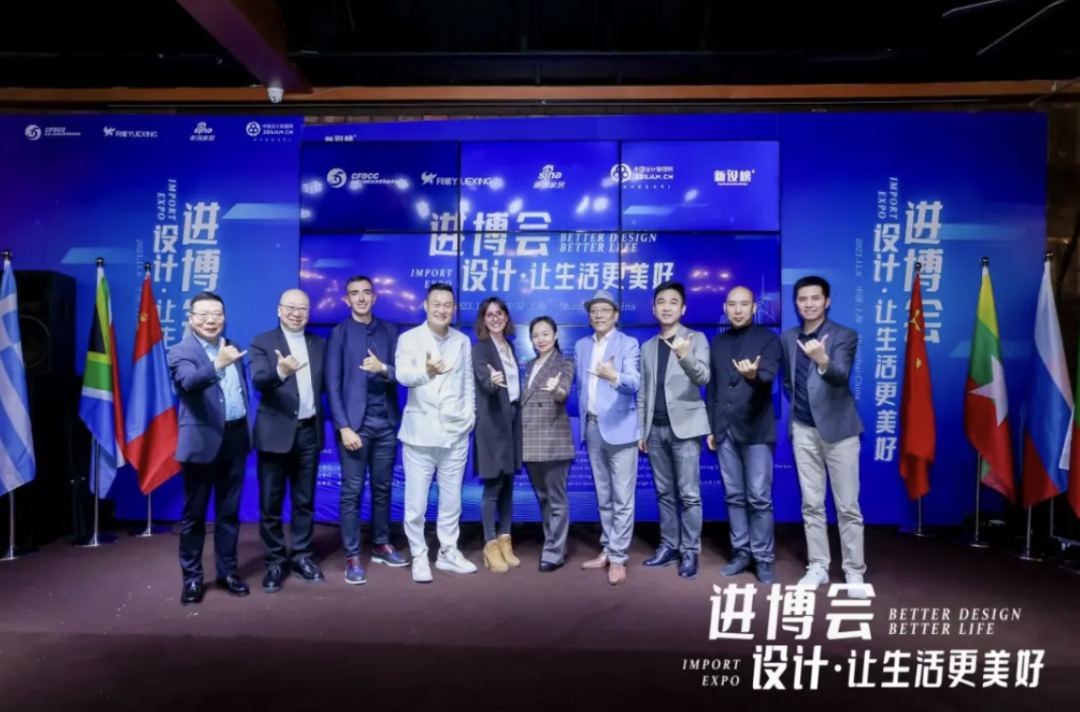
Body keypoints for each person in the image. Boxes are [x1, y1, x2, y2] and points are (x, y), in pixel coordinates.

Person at [781, 275, 868, 598]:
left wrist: (822, 360)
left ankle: (854, 570)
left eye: (815, 298)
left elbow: (840, 375)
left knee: (848, 506)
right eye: (803, 299)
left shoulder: (844, 335)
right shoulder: (789, 338)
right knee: (812, 504)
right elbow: (788, 383)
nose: (809, 304)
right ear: (796, 303)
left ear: (827, 301)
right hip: (803, 431)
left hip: (839, 432)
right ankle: (818, 565)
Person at [167, 292, 252, 605]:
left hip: (235, 438)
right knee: (195, 516)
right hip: (202, 442)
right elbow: (189, 384)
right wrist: (217, 364)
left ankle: (228, 572)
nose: (210, 320)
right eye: (203, 314)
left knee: (229, 513)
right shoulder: (180, 351)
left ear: (224, 317)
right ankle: (192, 578)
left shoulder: (231, 345)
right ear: (191, 319)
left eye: (216, 313)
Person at [325, 275, 405, 585]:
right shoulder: (339, 334)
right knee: (352, 492)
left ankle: (382, 544)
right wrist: (343, 427)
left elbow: (402, 374)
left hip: (386, 423)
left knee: (383, 489)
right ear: (346, 300)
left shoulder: (390, 331)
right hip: (355, 426)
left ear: (375, 297)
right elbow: (332, 385)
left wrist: (383, 369)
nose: (361, 298)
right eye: (354, 293)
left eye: (366, 293)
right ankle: (352, 555)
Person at [395, 283, 477, 583]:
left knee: (452, 500)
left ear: (454, 308)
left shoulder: (462, 341)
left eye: (447, 305)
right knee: (415, 504)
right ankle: (419, 555)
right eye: (436, 304)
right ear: (425, 306)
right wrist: (427, 372)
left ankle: (447, 551)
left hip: (456, 433)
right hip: (419, 433)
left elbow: (467, 382)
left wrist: (469, 417)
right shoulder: (408, 338)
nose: (442, 309)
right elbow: (403, 376)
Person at [248, 288, 326, 593]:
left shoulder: (319, 344)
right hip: (274, 435)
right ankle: (274, 561)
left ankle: (302, 556)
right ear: (279, 310)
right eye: (291, 307)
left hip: (309, 433)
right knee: (271, 503)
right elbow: (258, 380)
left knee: (304, 502)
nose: (297, 313)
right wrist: (280, 372)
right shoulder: (262, 341)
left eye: (303, 308)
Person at [707, 286, 782, 585]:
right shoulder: (718, 342)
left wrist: (753, 376)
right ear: (725, 308)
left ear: (754, 308)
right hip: (724, 431)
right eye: (732, 304)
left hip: (756, 430)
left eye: (744, 304)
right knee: (734, 496)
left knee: (759, 498)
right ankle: (741, 552)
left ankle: (763, 558)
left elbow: (768, 377)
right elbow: (713, 389)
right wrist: (712, 427)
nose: (737, 310)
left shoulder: (769, 339)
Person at [638, 281, 710, 579]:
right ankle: (669, 546)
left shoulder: (696, 338)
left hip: (686, 429)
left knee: (689, 494)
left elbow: (703, 377)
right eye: (661, 302)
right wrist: (642, 431)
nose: (666, 307)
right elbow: (643, 392)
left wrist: (684, 354)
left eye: (673, 302)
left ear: (683, 308)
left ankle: (690, 551)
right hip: (654, 430)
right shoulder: (647, 347)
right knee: (664, 493)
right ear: (653, 308)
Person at [575, 289, 641, 586]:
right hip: (592, 428)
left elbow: (634, 382)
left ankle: (618, 557)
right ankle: (608, 547)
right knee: (604, 495)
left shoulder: (628, 343)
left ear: (616, 315)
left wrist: (614, 376)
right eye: (594, 311)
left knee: (622, 497)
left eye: (604, 310)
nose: (598, 315)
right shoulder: (581, 346)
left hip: (621, 429)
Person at [471, 296, 524, 573]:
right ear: (483, 319)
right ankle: (490, 544)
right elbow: (485, 381)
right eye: (489, 314)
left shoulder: (509, 346)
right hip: (492, 425)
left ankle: (505, 540)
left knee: (508, 485)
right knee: (493, 488)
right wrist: (491, 381)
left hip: (511, 421)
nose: (495, 318)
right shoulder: (480, 349)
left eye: (499, 313)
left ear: (506, 317)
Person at [521, 317, 576, 573]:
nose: (540, 339)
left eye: (545, 334)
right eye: (535, 335)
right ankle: (555, 545)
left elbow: (562, 393)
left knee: (556, 500)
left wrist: (556, 389)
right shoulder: (529, 365)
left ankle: (553, 552)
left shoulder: (564, 363)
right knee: (543, 499)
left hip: (553, 442)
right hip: (530, 441)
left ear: (555, 335)